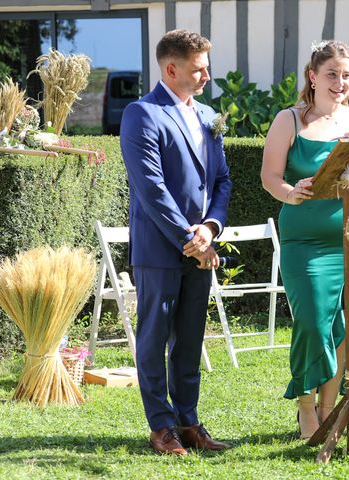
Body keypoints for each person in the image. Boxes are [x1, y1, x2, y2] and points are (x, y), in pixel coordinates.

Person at [261, 40, 349, 440]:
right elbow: (269, 177)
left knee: (347, 326)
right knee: (314, 324)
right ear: (313, 76)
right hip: (305, 244)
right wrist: (288, 192)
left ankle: (327, 408)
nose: (340, 83)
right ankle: (304, 407)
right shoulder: (290, 121)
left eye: (347, 75)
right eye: (332, 74)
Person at [120, 29, 232, 456]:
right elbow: (152, 189)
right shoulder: (141, 113)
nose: (206, 76)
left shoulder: (207, 115)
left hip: (199, 245)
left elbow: (221, 180)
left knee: (189, 339)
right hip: (159, 249)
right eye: (198, 68)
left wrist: (211, 227)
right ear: (171, 69)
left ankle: (188, 421)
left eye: (206, 66)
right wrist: (192, 240)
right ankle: (160, 426)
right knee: (153, 338)